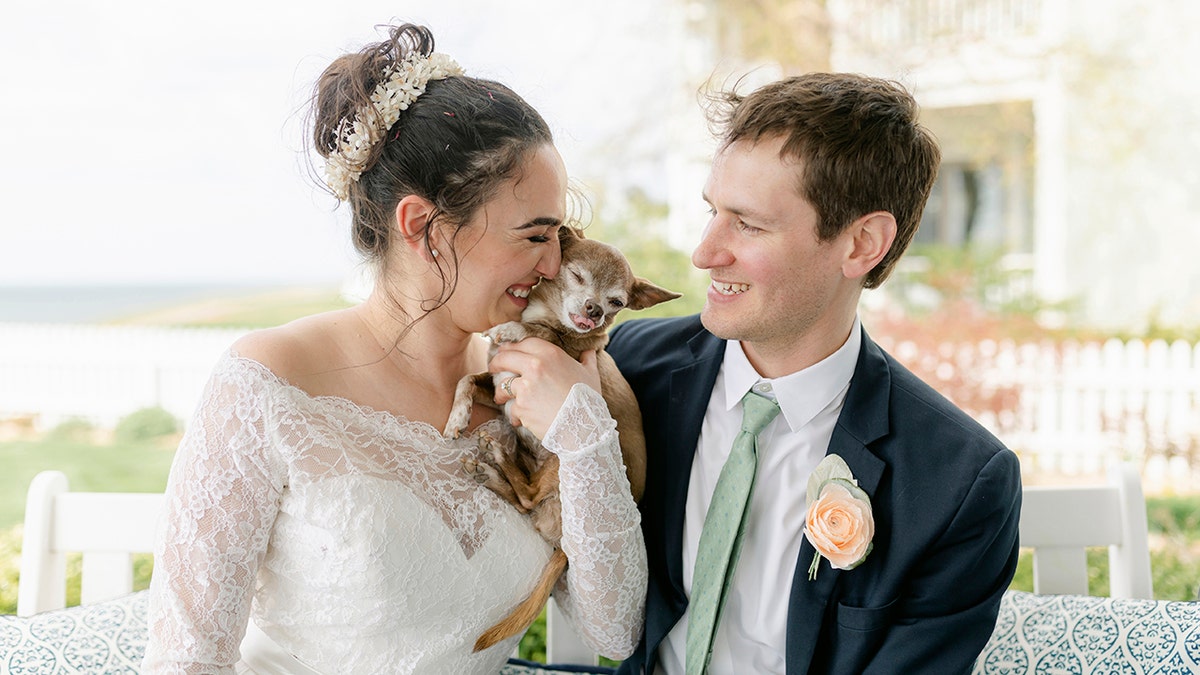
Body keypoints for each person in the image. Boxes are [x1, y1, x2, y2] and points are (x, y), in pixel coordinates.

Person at [142, 23, 646, 674]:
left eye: (560, 235)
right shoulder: (267, 382)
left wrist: (586, 436)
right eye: (534, 236)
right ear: (423, 227)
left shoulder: (538, 388)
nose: (555, 262)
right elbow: (187, 659)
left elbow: (616, 627)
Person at [607, 73, 1022, 674]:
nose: (705, 252)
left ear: (861, 245)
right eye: (712, 211)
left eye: (747, 224)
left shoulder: (956, 483)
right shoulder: (630, 368)